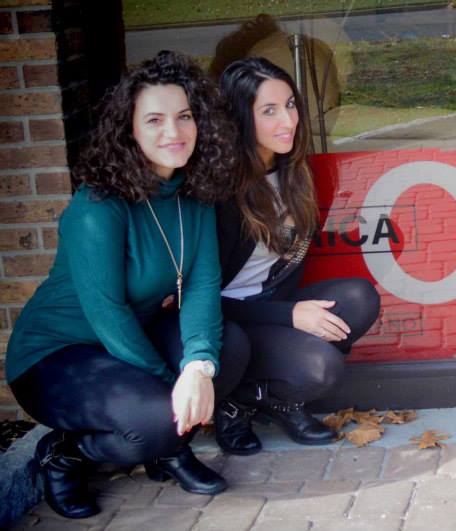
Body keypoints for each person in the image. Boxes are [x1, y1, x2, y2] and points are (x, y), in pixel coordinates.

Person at [5, 51, 248, 519]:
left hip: (131, 337)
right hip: (58, 354)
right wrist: (172, 386)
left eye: (184, 116)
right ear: (129, 130)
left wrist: (198, 368)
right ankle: (65, 455)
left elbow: (202, 285)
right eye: (154, 120)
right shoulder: (98, 205)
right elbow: (106, 312)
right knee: (159, 417)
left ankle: (166, 447)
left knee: (229, 349)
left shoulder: (194, 193)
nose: (173, 131)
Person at [215, 57, 380, 454]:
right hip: (226, 323)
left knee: (359, 298)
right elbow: (198, 301)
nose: (288, 121)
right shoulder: (221, 190)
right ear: (240, 119)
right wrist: (289, 315)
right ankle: (233, 404)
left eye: (290, 105)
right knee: (321, 368)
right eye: (269, 111)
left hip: (270, 306)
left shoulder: (294, 171)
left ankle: (273, 397)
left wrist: (288, 311)